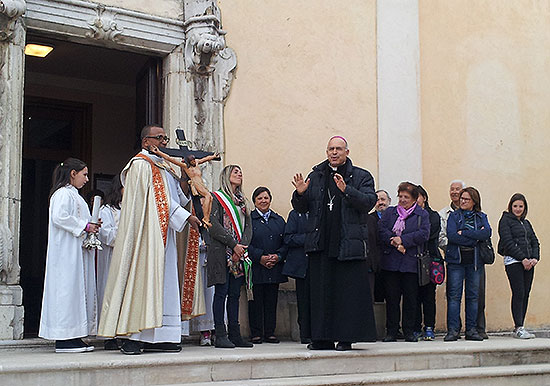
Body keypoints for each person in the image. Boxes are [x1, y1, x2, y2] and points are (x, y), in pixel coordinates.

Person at [98, 125, 201, 355]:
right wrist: (187, 217)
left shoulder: (164, 165)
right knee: (143, 281)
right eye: (160, 138)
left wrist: (185, 174)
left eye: (165, 138)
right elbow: (158, 201)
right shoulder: (140, 165)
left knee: (165, 284)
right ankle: (134, 336)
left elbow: (178, 196)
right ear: (146, 141)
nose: (165, 142)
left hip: (165, 236)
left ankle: (163, 336)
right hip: (145, 237)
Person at [291, 135, 377, 351]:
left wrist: (347, 190)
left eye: (339, 149)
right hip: (321, 244)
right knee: (321, 294)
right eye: (331, 149)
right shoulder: (317, 175)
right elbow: (303, 208)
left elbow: (368, 203)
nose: (334, 152)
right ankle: (322, 338)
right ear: (326, 152)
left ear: (347, 152)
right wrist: (299, 194)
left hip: (347, 245)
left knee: (346, 296)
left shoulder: (361, 176)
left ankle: (345, 338)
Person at [39, 158, 100, 353]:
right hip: (65, 254)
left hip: (76, 251)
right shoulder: (62, 194)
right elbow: (59, 217)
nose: (87, 179)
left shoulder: (75, 195)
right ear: (73, 174)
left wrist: (90, 223)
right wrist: (84, 225)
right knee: (66, 292)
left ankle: (75, 335)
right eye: (84, 174)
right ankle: (64, 339)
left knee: (76, 292)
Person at [207, 165, 253, 348]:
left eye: (241, 171)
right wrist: (233, 245)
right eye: (235, 171)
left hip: (239, 254)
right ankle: (220, 334)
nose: (240, 174)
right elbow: (213, 224)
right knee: (221, 293)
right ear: (226, 176)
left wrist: (241, 247)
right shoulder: (216, 198)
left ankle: (235, 334)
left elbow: (249, 226)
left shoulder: (243, 201)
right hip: (222, 253)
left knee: (235, 294)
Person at [378, 182, 430, 343]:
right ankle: (392, 331)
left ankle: (409, 330)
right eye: (400, 196)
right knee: (392, 298)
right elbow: (381, 229)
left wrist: (403, 241)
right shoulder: (390, 213)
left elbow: (423, 234)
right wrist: (394, 242)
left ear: (414, 199)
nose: (402, 200)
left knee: (410, 298)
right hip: (391, 262)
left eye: (406, 197)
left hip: (410, 262)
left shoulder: (421, 215)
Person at [444, 187, 491, 342]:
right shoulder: (453, 216)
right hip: (456, 261)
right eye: (462, 198)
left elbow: (487, 233)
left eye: (466, 199)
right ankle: (453, 330)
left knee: (473, 297)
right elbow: (451, 236)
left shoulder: (481, 217)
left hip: (475, 262)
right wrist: (474, 239)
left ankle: (471, 330)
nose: (462, 201)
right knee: (454, 296)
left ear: (474, 202)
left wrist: (464, 233)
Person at [247, 186, 288, 344]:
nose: (263, 201)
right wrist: (260, 257)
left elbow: (286, 242)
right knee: (255, 302)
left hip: (274, 268)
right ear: (255, 202)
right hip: (256, 268)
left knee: (272, 302)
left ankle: (270, 332)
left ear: (270, 200)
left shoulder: (279, 220)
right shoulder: (249, 220)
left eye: (266, 198)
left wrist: (278, 256)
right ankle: (256, 333)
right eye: (259, 198)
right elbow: (245, 243)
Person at [497, 193, 540, 339]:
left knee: (526, 293)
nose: (518, 209)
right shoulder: (505, 221)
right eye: (515, 206)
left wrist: (535, 258)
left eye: (521, 206)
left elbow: (534, 241)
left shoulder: (526, 223)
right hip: (514, 262)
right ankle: (518, 327)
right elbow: (508, 242)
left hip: (529, 263)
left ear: (524, 207)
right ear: (511, 206)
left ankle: (522, 325)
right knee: (519, 292)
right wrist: (522, 258)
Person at [96, 175, 124, 350]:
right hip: (112, 258)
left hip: (128, 259)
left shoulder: (131, 207)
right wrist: (126, 233)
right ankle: (109, 335)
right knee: (110, 291)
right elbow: (105, 233)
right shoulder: (107, 210)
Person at [413, 185, 441, 341]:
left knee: (429, 296)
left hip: (429, 260)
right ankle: (415, 327)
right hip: (412, 259)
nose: (415, 200)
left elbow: (428, 235)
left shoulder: (433, 216)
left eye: (418, 196)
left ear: (424, 197)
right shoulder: (408, 215)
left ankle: (429, 327)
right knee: (413, 295)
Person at [282, 209, 311, 344]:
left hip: (319, 266)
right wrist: (309, 238)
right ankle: (305, 333)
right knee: (304, 301)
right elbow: (288, 238)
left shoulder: (321, 211)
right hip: (302, 267)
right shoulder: (295, 214)